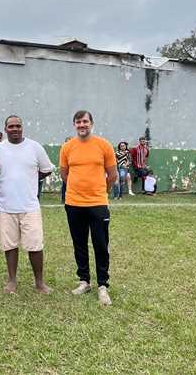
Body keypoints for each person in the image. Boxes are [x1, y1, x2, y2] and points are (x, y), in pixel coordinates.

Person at [59, 110, 117, 306]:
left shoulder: (104, 145)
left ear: (91, 123)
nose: (81, 125)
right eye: (78, 122)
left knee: (101, 244)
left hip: (98, 203)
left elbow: (113, 175)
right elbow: (65, 174)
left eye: (85, 121)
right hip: (74, 204)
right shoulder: (67, 147)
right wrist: (78, 190)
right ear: (74, 125)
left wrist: (100, 192)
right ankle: (84, 281)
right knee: (79, 244)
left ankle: (102, 285)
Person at [0, 115, 54, 294]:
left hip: (30, 206)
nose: (15, 129)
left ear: (22, 128)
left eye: (18, 126)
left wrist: (32, 179)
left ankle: (39, 282)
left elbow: (46, 169)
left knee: (35, 245)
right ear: (5, 129)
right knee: (9, 245)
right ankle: (12, 281)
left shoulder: (34, 147)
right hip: (5, 206)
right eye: (11, 126)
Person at [60, 136, 73, 204]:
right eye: (67, 142)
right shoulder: (64, 150)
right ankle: (63, 199)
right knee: (65, 185)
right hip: (66, 171)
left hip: (73, 171)